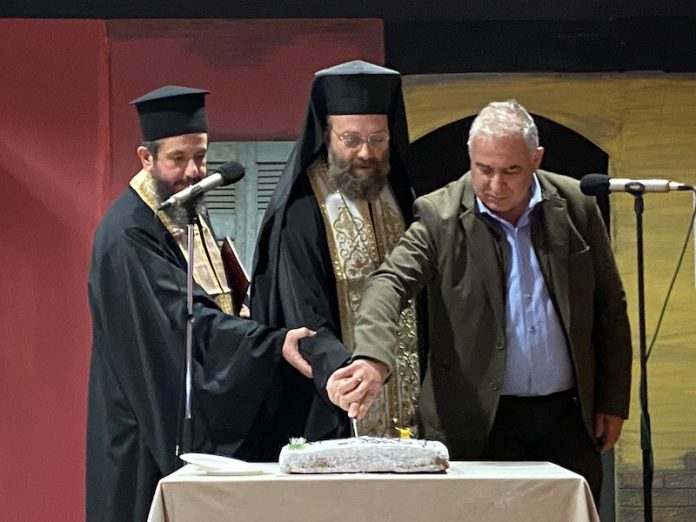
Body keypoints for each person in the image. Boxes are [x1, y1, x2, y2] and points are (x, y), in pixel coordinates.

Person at [327, 99, 632, 502]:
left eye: (511, 170)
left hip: (567, 417)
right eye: (484, 169)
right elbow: (389, 282)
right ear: (470, 157)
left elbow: (610, 305)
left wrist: (612, 399)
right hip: (477, 420)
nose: (495, 184)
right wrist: (372, 358)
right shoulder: (439, 215)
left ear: (536, 159)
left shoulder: (576, 204)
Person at [86, 85, 313, 522]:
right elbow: (183, 321)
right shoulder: (129, 234)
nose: (193, 172)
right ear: (146, 158)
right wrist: (269, 343)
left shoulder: (185, 210)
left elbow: (212, 302)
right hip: (144, 422)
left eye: (201, 156)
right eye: (177, 159)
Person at [249, 60, 421, 459]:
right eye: (351, 139)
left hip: (411, 403)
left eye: (377, 139)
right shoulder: (302, 207)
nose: (366, 153)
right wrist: (348, 376)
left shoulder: (403, 195)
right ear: (327, 133)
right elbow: (302, 312)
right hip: (336, 400)